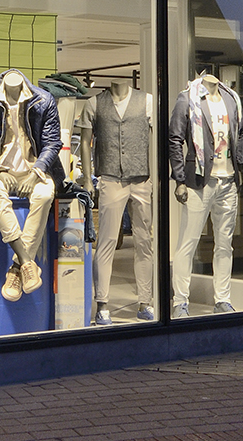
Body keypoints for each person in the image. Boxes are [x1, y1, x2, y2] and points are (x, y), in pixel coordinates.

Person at [0, 69, 61, 302]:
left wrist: (36, 172)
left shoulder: (43, 99)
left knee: (44, 195)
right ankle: (27, 260)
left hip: (34, 169)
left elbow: (52, 143)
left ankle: (16, 269)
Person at [168, 74, 243, 316]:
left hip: (228, 180)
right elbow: (175, 139)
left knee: (225, 245)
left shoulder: (231, 98)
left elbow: (239, 134)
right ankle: (180, 301)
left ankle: (222, 299)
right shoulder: (187, 98)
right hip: (199, 181)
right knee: (187, 243)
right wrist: (180, 179)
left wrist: (239, 166)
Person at [79, 82, 155, 325]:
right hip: (110, 178)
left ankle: (145, 301)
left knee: (144, 241)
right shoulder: (94, 103)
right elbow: (85, 141)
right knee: (106, 241)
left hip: (141, 178)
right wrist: (88, 179)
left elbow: (155, 140)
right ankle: (102, 303)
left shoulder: (147, 101)